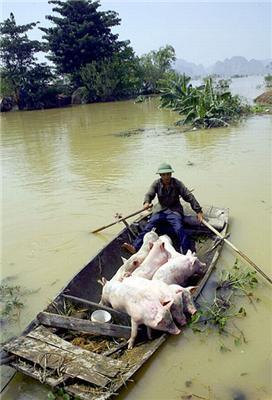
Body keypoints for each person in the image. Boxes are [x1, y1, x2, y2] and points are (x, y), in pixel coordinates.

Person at [122, 162, 203, 254]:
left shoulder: (177, 183)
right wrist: (146, 202)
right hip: (161, 210)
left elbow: (188, 196)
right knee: (149, 226)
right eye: (164, 175)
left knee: (179, 228)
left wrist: (198, 211)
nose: (166, 177)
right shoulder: (156, 183)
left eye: (168, 174)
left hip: (174, 210)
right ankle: (135, 247)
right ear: (160, 175)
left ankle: (186, 251)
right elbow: (149, 194)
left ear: (171, 174)